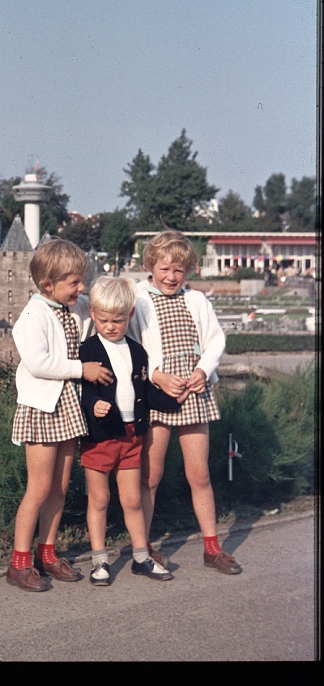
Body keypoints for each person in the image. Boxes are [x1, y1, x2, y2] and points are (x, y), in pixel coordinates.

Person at [128, 230, 242, 575]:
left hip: (193, 390)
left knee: (199, 474)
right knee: (151, 475)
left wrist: (203, 371)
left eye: (178, 271)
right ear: (151, 266)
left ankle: (212, 547)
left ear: (187, 271)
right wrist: (157, 375)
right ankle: (143, 547)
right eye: (164, 269)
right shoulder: (139, 299)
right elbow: (132, 346)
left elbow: (215, 340)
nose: (171, 277)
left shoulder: (197, 300)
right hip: (159, 392)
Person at [6, 239, 114, 592]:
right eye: (74, 282)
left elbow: (102, 306)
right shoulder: (33, 315)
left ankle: (46, 553)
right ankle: (19, 562)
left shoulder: (76, 305)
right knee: (38, 488)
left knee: (60, 487)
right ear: (48, 284)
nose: (82, 288)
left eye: (82, 281)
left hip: (68, 405)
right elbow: (38, 363)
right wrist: (82, 370)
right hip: (41, 406)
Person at [79, 276, 184, 586]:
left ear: (130, 316)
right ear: (94, 314)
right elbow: (81, 390)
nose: (111, 326)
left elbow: (145, 391)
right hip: (100, 436)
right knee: (99, 499)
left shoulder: (138, 351)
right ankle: (100, 561)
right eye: (105, 320)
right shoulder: (88, 350)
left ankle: (141, 556)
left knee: (133, 499)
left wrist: (173, 399)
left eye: (118, 320)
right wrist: (93, 405)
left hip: (132, 434)